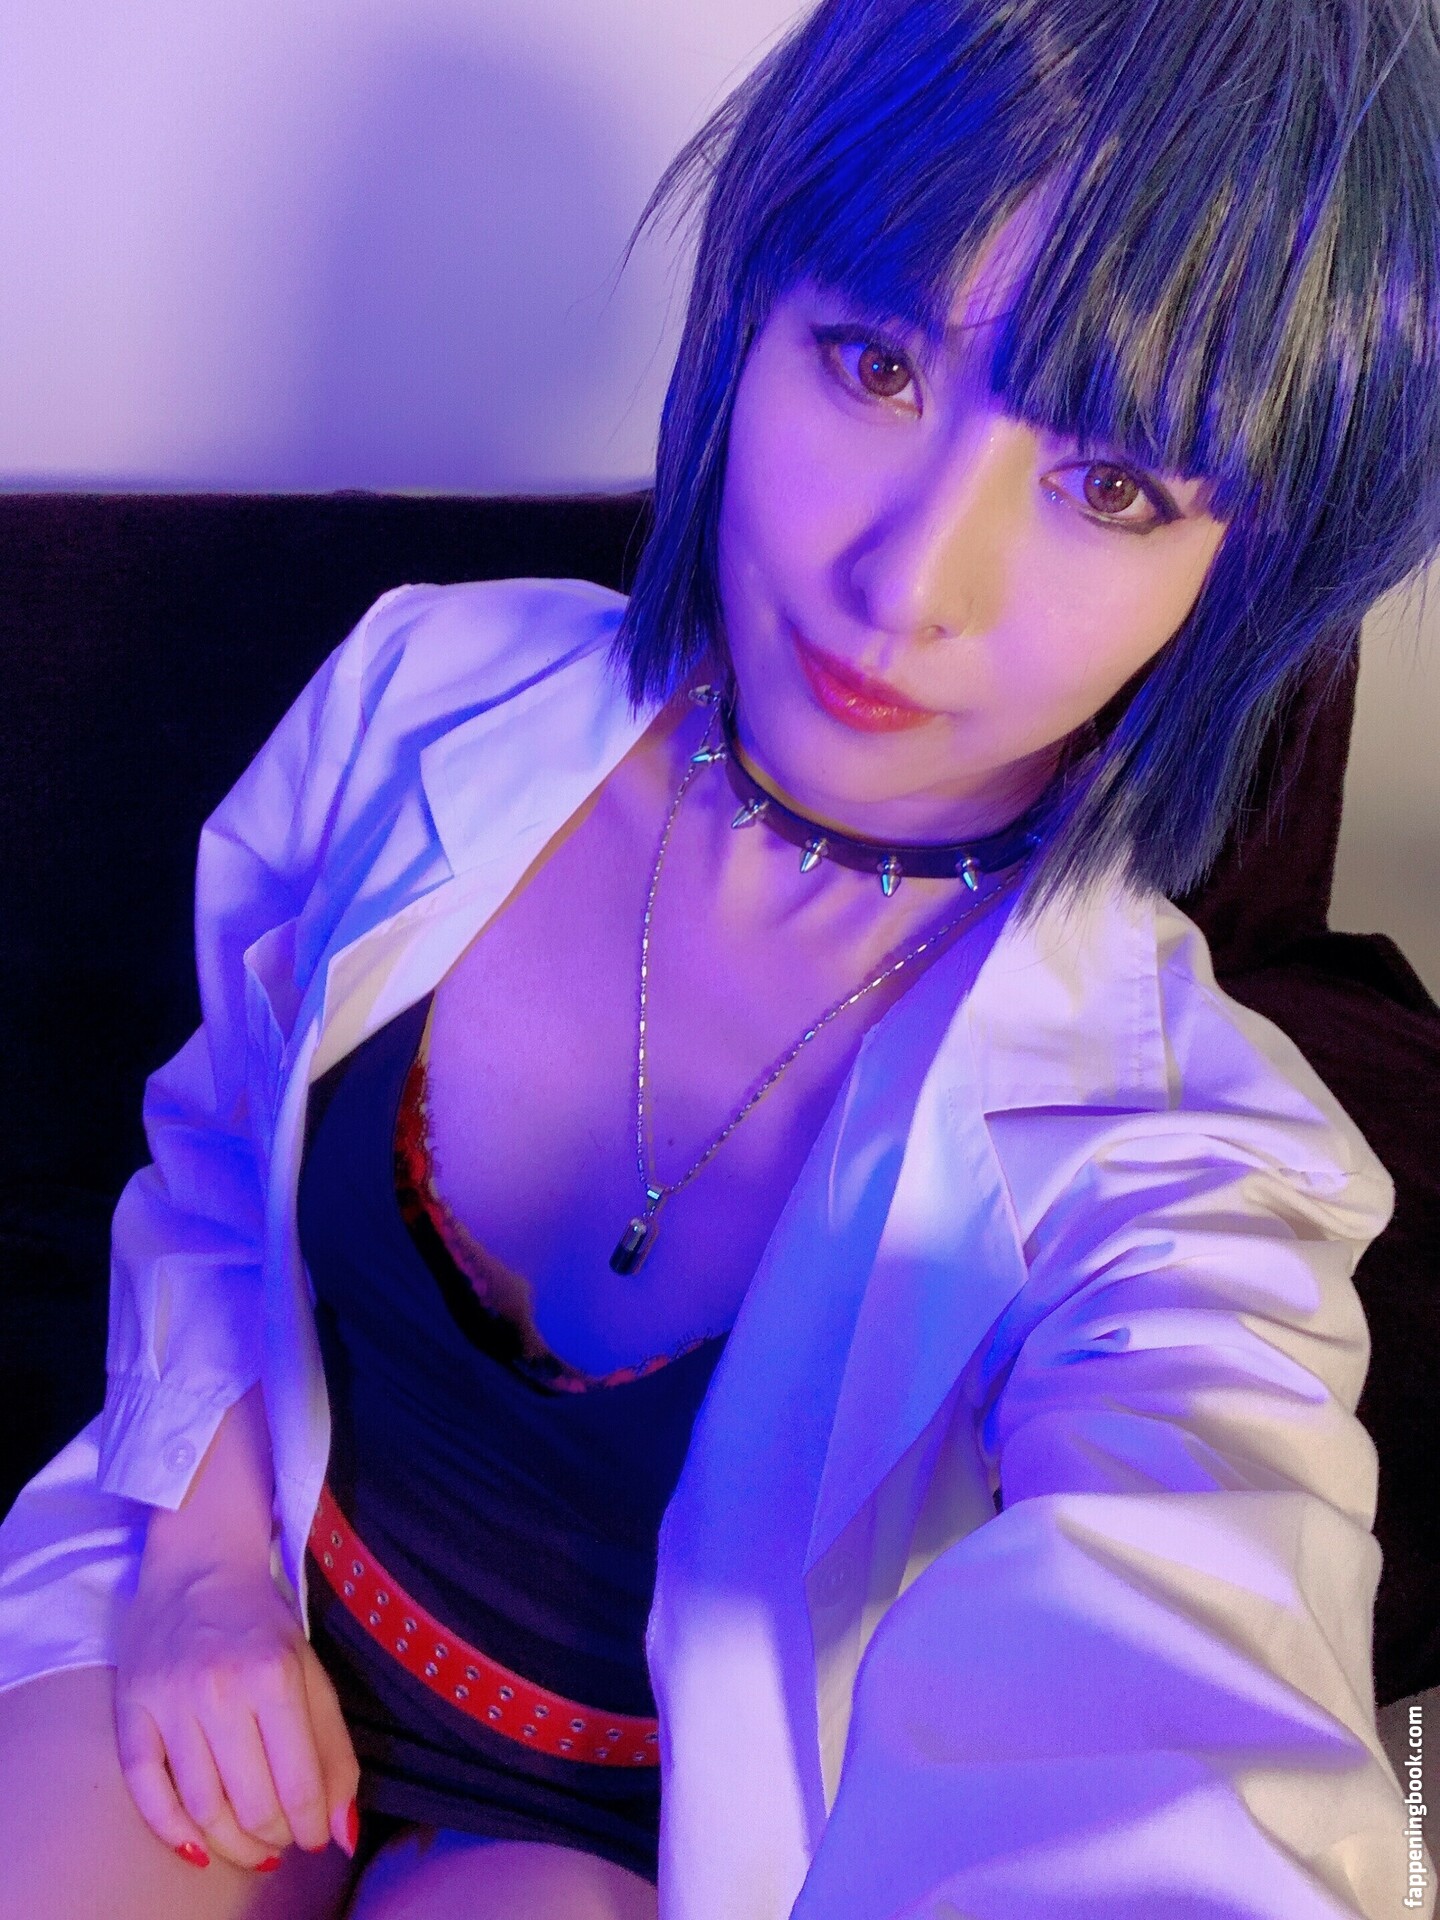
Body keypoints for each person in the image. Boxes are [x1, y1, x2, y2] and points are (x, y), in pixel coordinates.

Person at [1, 0, 1438, 1913]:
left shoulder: (1180, 1157)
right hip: (235, 1578)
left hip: (632, 1831)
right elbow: (213, 1141)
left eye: (1112, 489)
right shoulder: (423, 690)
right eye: (877, 362)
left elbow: (1195, 1658)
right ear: (752, 309)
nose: (910, 582)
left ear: (1242, 573)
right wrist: (199, 1571)